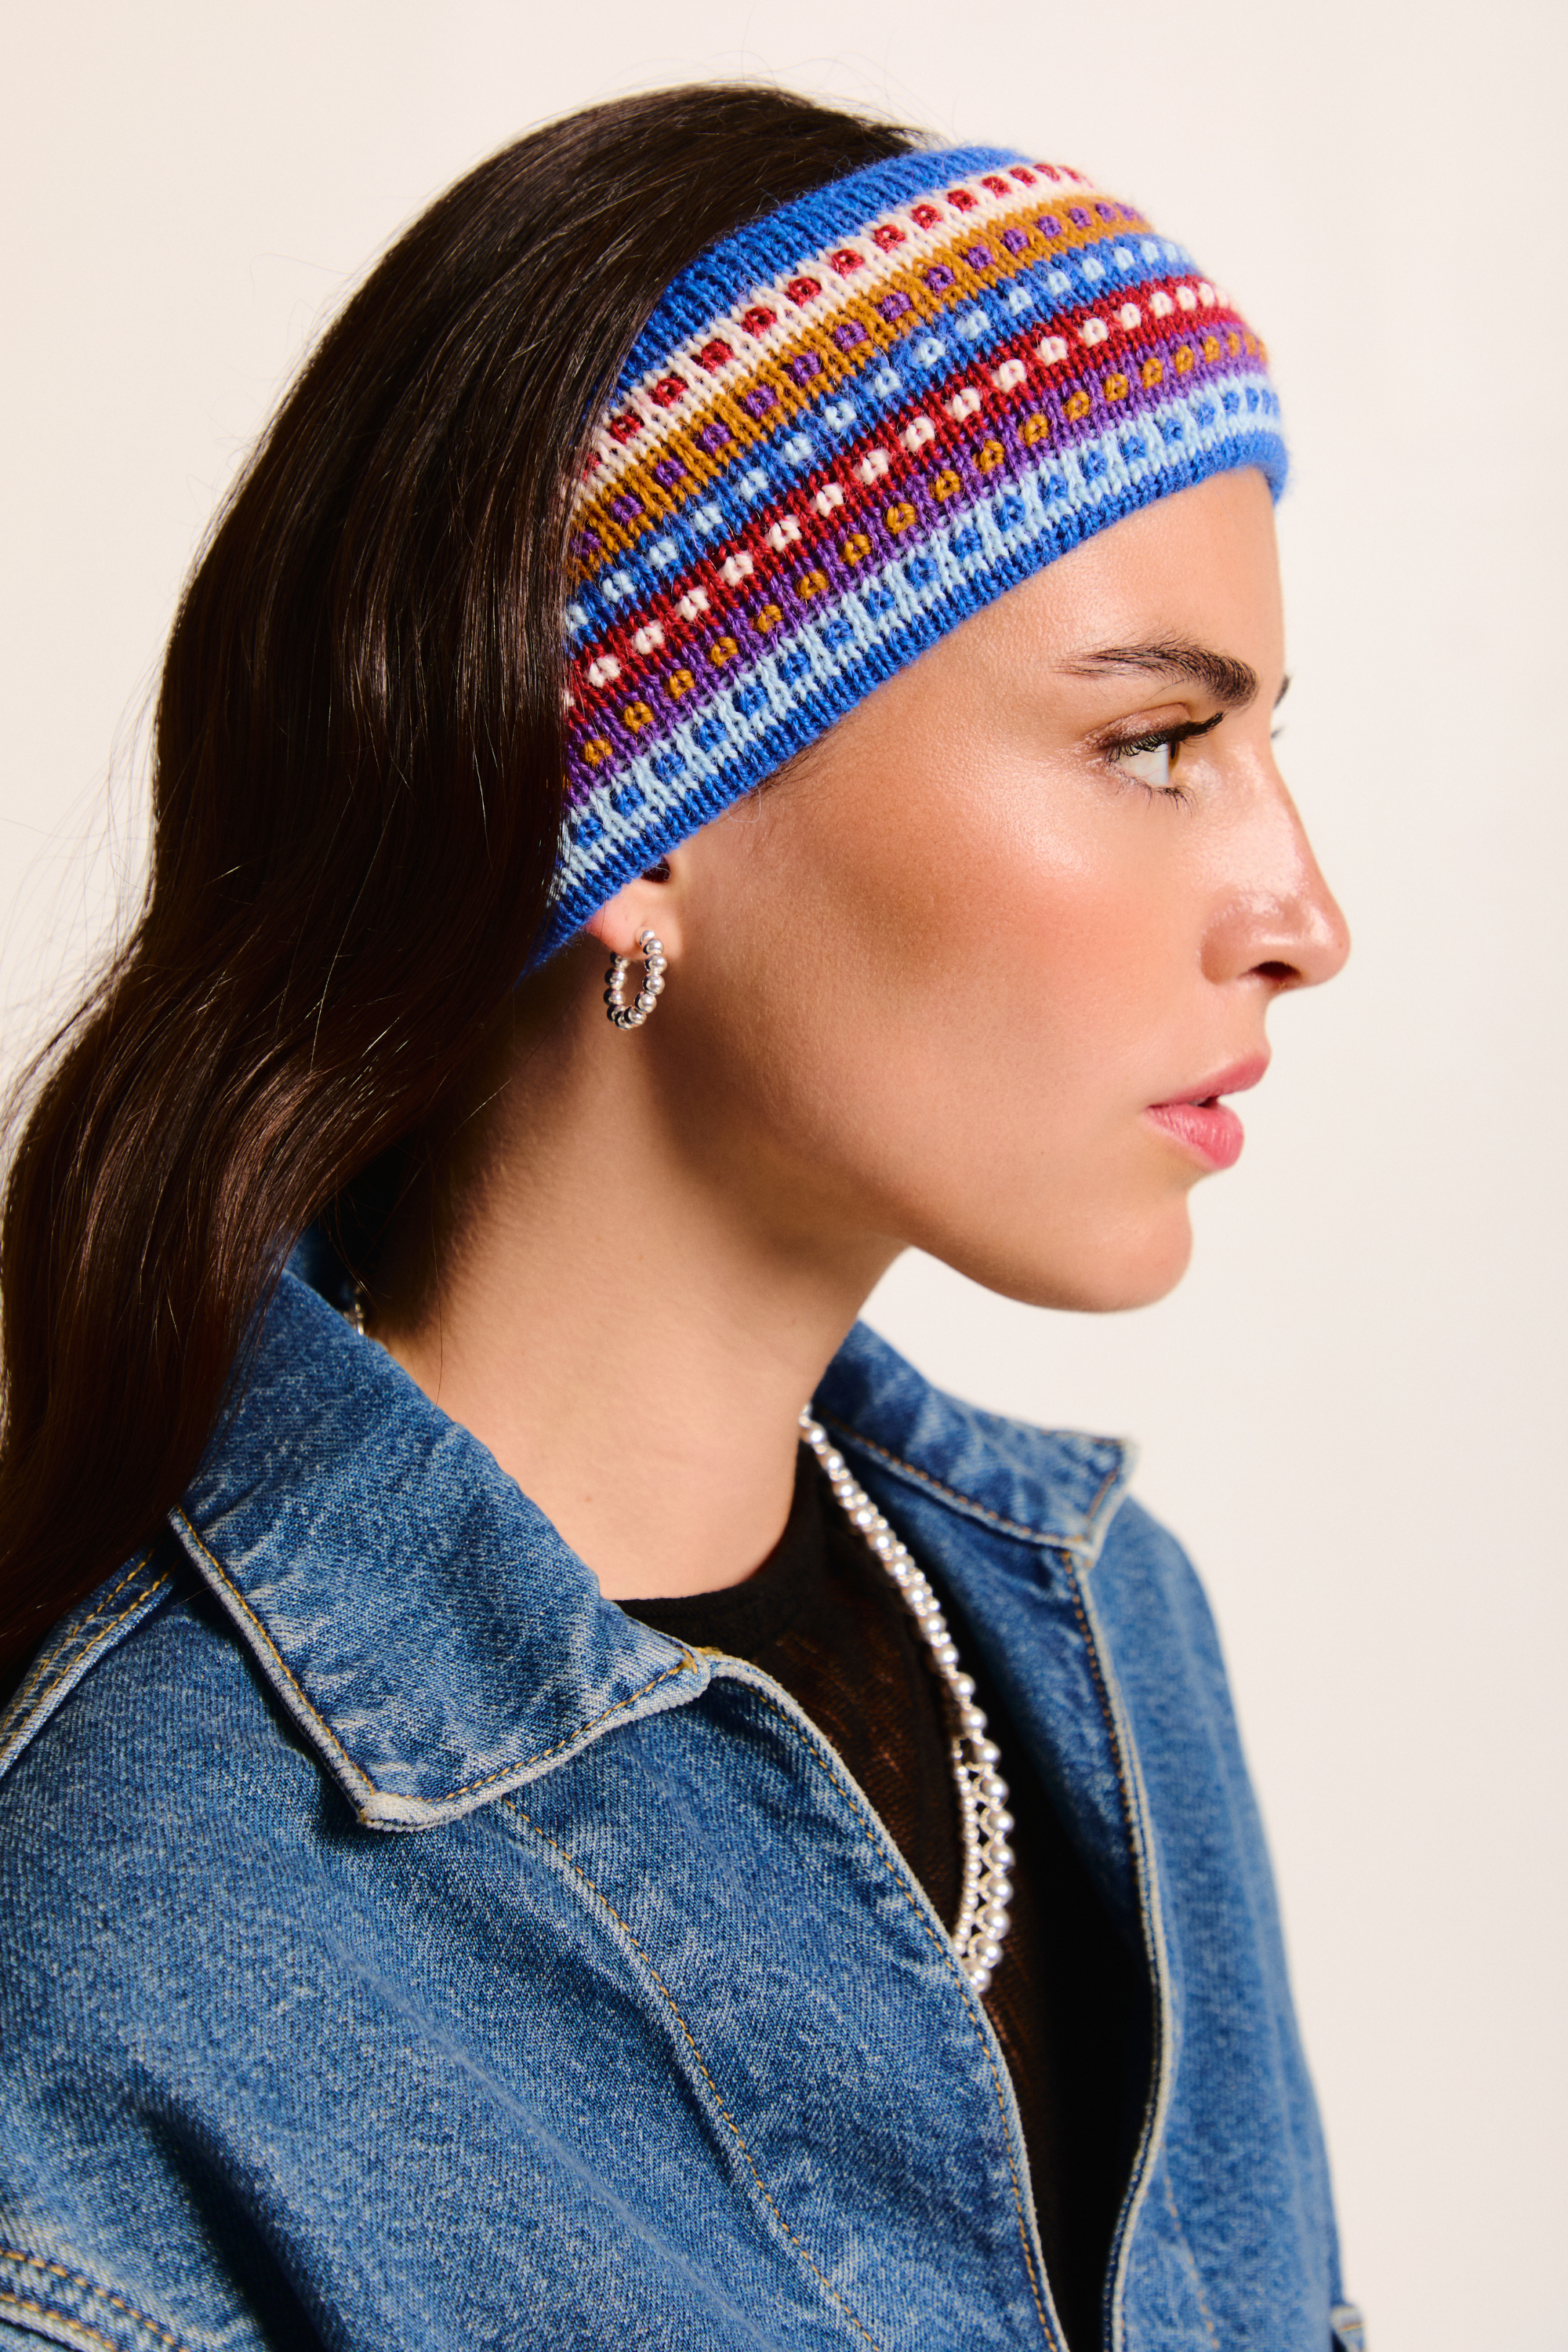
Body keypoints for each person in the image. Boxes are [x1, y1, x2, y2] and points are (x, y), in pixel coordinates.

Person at [0, 82, 1364, 2352]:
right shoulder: (121, 1971)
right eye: (1151, 743)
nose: (1302, 910)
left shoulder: (1109, 1642)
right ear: (624, 801)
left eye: (1265, 742)